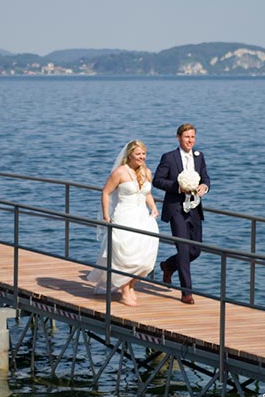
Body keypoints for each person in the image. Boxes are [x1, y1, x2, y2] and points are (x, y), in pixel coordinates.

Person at [87, 140, 160, 306]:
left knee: (144, 258)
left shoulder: (146, 172)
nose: (141, 157)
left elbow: (146, 193)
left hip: (142, 218)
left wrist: (153, 207)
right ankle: (125, 290)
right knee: (126, 256)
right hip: (125, 217)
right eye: (138, 154)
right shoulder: (120, 172)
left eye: (143, 154)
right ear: (129, 155)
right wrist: (106, 215)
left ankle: (131, 285)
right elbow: (106, 192)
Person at [153, 123, 210, 304]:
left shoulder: (199, 157)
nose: (190, 141)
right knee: (184, 250)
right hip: (176, 209)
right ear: (179, 138)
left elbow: (206, 177)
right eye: (186, 137)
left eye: (192, 137)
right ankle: (186, 292)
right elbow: (157, 180)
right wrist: (177, 187)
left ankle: (168, 266)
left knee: (195, 250)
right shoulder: (169, 157)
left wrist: (204, 186)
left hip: (195, 208)